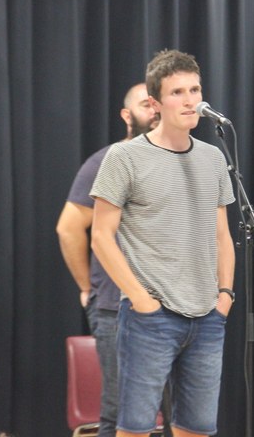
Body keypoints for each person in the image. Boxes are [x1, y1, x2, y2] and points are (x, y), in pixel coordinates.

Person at [90, 49, 236, 437]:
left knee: (197, 428)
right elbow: (101, 236)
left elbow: (222, 234)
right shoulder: (125, 157)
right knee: (135, 428)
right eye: (177, 92)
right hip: (150, 317)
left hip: (207, 316)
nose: (190, 101)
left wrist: (224, 296)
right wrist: (141, 299)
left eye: (195, 90)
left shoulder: (213, 158)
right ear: (155, 104)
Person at [56, 83, 159, 437]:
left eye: (157, 102)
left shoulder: (181, 161)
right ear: (126, 115)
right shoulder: (105, 162)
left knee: (177, 410)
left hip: (174, 305)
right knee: (121, 410)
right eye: (146, 104)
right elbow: (69, 228)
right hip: (117, 308)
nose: (155, 110)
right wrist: (88, 288)